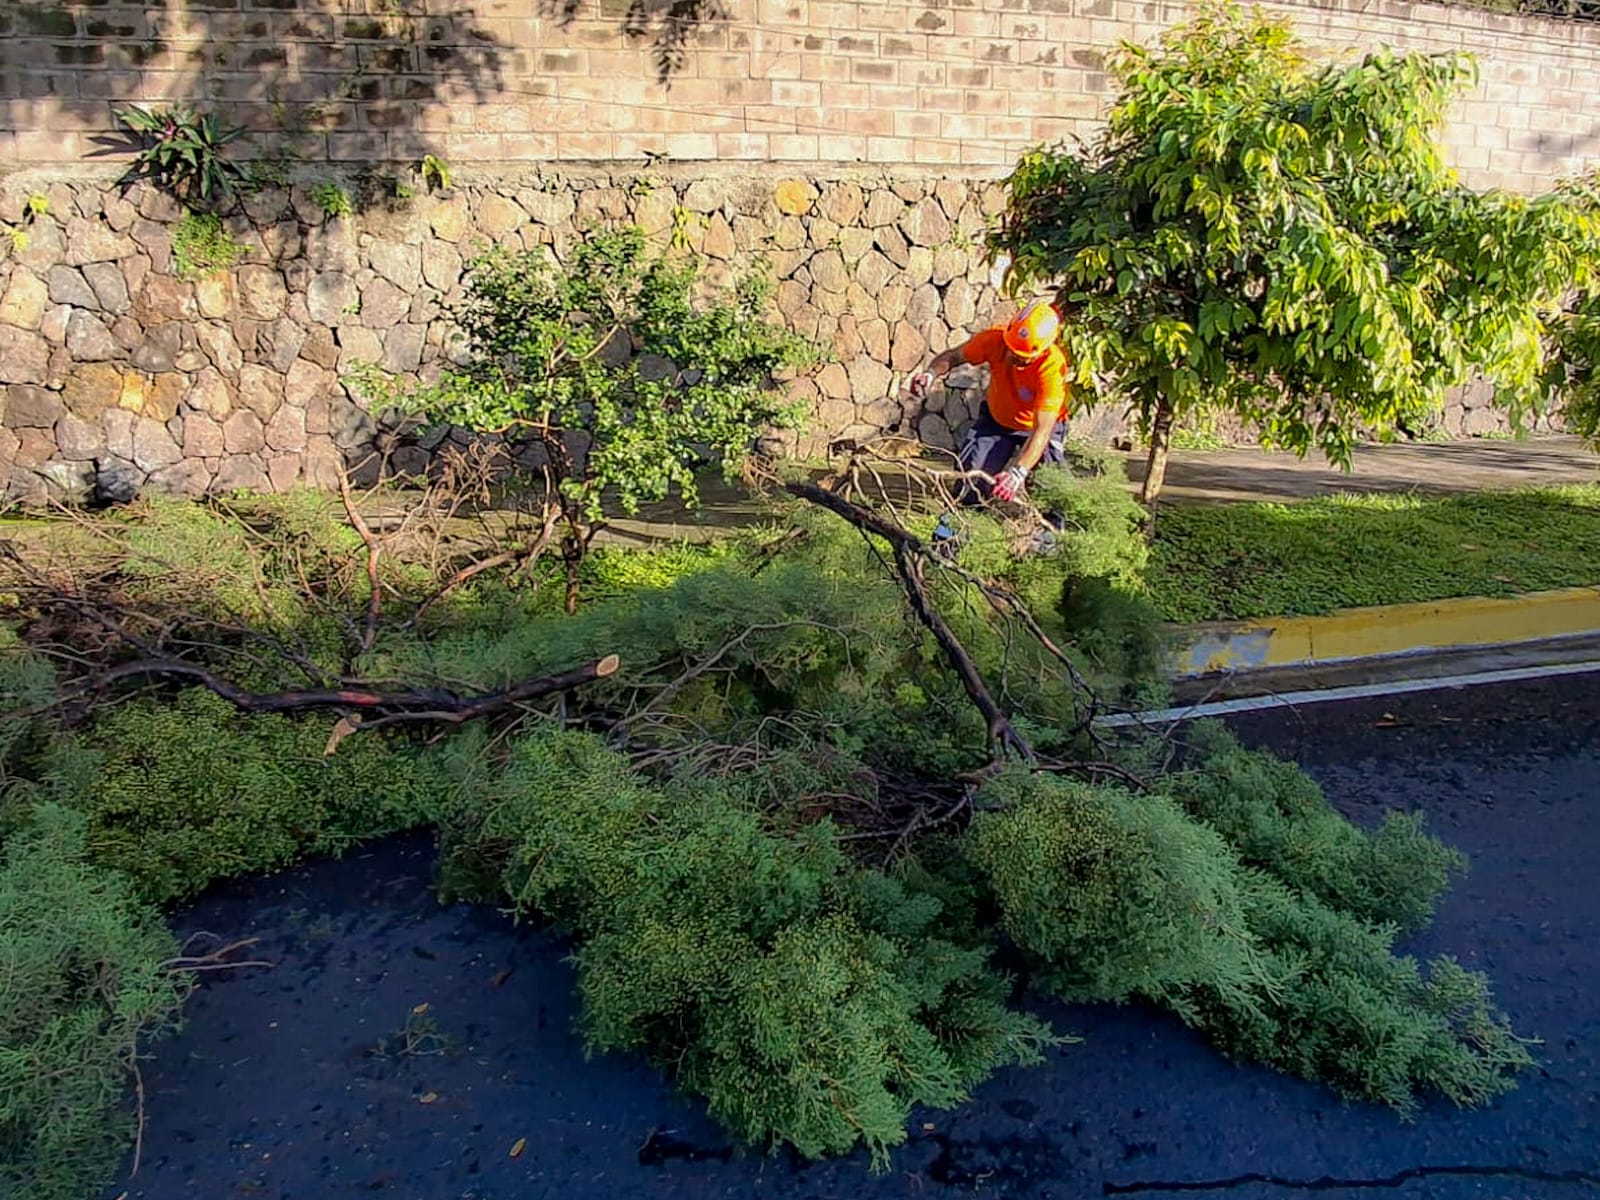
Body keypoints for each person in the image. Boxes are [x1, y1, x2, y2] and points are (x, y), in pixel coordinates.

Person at [910, 299, 1069, 505]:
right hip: (998, 421)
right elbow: (954, 357)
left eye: (1023, 357)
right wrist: (930, 374)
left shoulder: (1053, 368)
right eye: (1011, 349)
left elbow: (1042, 431)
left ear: (1043, 350)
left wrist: (1018, 473)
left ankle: (1050, 534)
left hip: (1038, 427)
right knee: (971, 477)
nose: (1013, 356)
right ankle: (953, 530)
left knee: (1051, 485)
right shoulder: (994, 340)